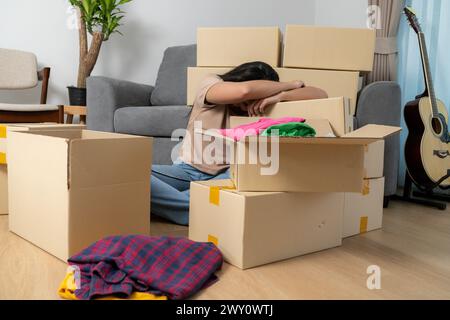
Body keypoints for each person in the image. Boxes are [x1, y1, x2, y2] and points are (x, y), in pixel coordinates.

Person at [151, 61, 328, 225]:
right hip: (187, 170)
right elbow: (244, 91)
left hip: (229, 175)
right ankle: (196, 207)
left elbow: (322, 94)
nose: (250, 102)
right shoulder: (211, 83)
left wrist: (280, 96)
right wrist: (289, 84)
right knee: (132, 175)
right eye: (257, 92)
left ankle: (176, 204)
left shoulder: (264, 105)